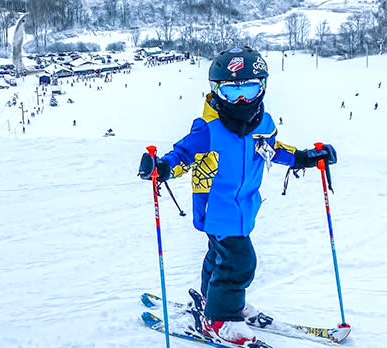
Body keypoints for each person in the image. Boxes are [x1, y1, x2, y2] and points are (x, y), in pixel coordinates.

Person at [138, 47, 337, 346]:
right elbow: (182, 153)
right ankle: (222, 318)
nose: (242, 100)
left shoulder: (263, 126)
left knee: (220, 256)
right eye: (232, 92)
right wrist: (162, 167)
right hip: (217, 208)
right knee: (240, 262)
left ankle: (214, 301)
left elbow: (274, 150)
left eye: (250, 88)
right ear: (217, 92)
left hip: (244, 207)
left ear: (263, 87)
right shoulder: (209, 130)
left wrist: (305, 158)